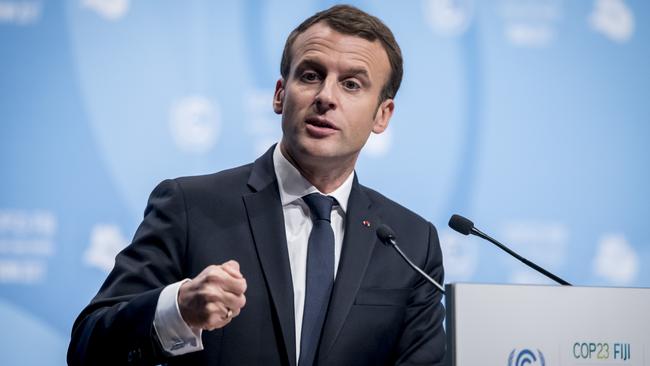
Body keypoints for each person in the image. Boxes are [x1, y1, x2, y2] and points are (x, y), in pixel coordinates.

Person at [68, 4, 445, 366]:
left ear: (383, 114)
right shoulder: (189, 206)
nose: (326, 97)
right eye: (310, 75)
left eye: (351, 84)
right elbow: (88, 347)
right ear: (280, 94)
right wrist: (178, 310)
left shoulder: (411, 244)